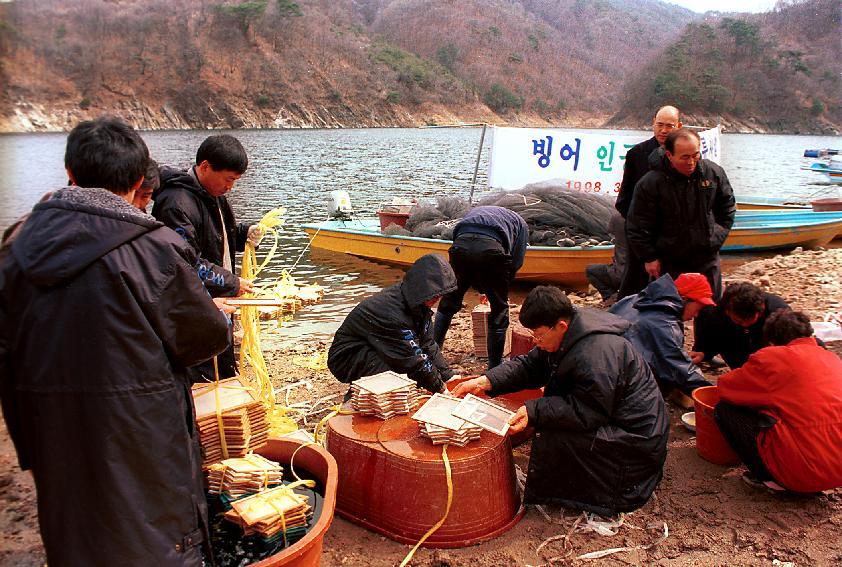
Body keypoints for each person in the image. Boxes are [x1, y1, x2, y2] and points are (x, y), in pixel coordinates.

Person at [0, 117, 231, 566]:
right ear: (138, 182)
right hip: (139, 424)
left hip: (49, 420)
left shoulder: (15, 248)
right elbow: (205, 338)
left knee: (75, 524)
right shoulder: (154, 249)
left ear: (70, 173)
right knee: (149, 525)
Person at [453, 286, 668, 516]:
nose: (535, 341)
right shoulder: (567, 331)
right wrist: (485, 382)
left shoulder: (596, 354)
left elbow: (588, 411)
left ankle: (600, 496)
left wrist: (534, 411)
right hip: (613, 416)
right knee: (548, 423)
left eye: (539, 335)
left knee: (552, 435)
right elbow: (529, 366)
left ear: (561, 326)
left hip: (635, 444)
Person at [152, 134, 264, 379]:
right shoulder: (176, 203)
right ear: (205, 167)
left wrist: (243, 234)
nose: (230, 186)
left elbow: (216, 237)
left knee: (222, 363)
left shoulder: (213, 195)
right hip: (196, 303)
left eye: (235, 180)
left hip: (217, 299)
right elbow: (185, 261)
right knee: (203, 371)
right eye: (228, 179)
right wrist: (231, 282)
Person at [715, 309, 842, 494]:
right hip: (837, 470)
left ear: (773, 341)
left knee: (725, 410)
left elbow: (726, 388)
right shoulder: (832, 358)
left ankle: (771, 479)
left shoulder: (772, 359)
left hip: (803, 475)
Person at [621, 128, 736, 300]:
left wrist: (716, 237)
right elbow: (637, 224)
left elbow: (727, 208)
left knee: (710, 307)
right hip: (669, 258)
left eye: (695, 155)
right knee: (669, 310)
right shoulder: (651, 183)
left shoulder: (713, 174)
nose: (691, 162)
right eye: (684, 157)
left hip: (706, 255)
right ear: (669, 155)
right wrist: (649, 257)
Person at [328, 254, 457, 394]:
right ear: (421, 287)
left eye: (440, 294)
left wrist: (448, 376)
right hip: (349, 357)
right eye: (434, 294)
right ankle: (357, 396)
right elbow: (413, 360)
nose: (437, 298)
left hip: (378, 347)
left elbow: (428, 344)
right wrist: (441, 389)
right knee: (401, 376)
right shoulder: (391, 313)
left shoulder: (418, 302)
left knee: (414, 373)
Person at [590, 106, 681, 302]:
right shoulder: (636, 154)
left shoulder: (684, 156)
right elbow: (624, 200)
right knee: (634, 286)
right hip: (640, 234)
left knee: (668, 287)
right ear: (653, 123)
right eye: (660, 125)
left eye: (669, 126)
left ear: (678, 126)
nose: (664, 130)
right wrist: (637, 227)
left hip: (671, 236)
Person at [433, 205, 529, 369]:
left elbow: (459, 238)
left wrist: (480, 283)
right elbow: (515, 262)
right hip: (490, 249)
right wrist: (498, 289)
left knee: (449, 300)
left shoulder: (480, 211)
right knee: (499, 310)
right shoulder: (521, 225)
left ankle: (432, 353)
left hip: (459, 247)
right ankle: (494, 366)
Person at [609, 273, 713, 397]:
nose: (696, 315)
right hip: (616, 382)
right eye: (697, 309)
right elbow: (680, 371)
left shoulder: (633, 298)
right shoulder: (663, 323)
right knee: (667, 377)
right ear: (685, 299)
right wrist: (711, 395)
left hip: (607, 366)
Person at [691, 281, 791, 369]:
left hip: (771, 357)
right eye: (738, 321)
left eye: (749, 320)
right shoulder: (717, 312)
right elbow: (709, 336)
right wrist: (703, 352)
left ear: (761, 309)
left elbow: (795, 344)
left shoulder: (778, 312)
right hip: (736, 355)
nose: (744, 324)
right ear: (727, 311)